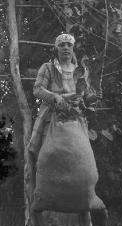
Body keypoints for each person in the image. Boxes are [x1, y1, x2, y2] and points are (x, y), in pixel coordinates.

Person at [28, 33, 99, 168]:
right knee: (49, 157)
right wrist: (55, 97)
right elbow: (37, 89)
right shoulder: (48, 67)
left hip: (76, 118)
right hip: (53, 117)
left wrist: (92, 98)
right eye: (61, 45)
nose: (66, 47)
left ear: (73, 48)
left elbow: (85, 96)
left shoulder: (81, 71)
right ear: (56, 49)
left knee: (78, 159)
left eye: (69, 45)